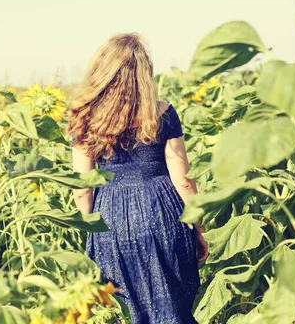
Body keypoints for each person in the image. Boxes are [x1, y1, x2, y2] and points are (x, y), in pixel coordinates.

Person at [67, 32, 209, 323]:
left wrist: (93, 232)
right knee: (171, 308)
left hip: (110, 216)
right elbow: (183, 180)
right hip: (164, 211)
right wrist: (198, 228)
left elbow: (82, 188)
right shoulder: (162, 113)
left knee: (121, 309)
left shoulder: (84, 116)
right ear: (145, 73)